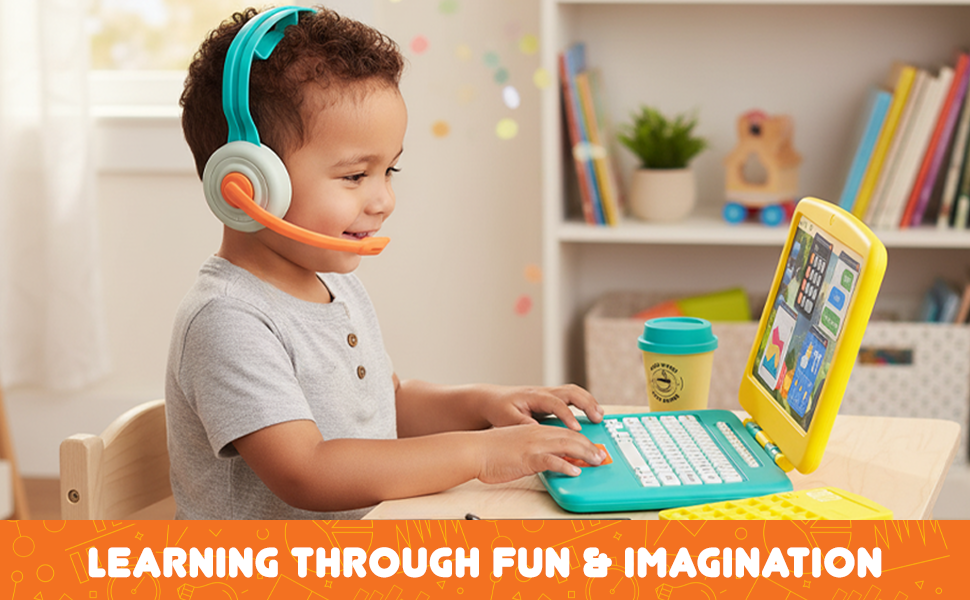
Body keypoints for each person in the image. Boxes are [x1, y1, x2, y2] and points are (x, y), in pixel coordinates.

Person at [167, 5, 606, 520]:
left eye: (389, 170)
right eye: (355, 176)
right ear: (247, 184)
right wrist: (482, 454)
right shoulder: (228, 320)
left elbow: (386, 404)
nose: (383, 201)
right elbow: (307, 470)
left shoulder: (334, 285)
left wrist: (484, 404)